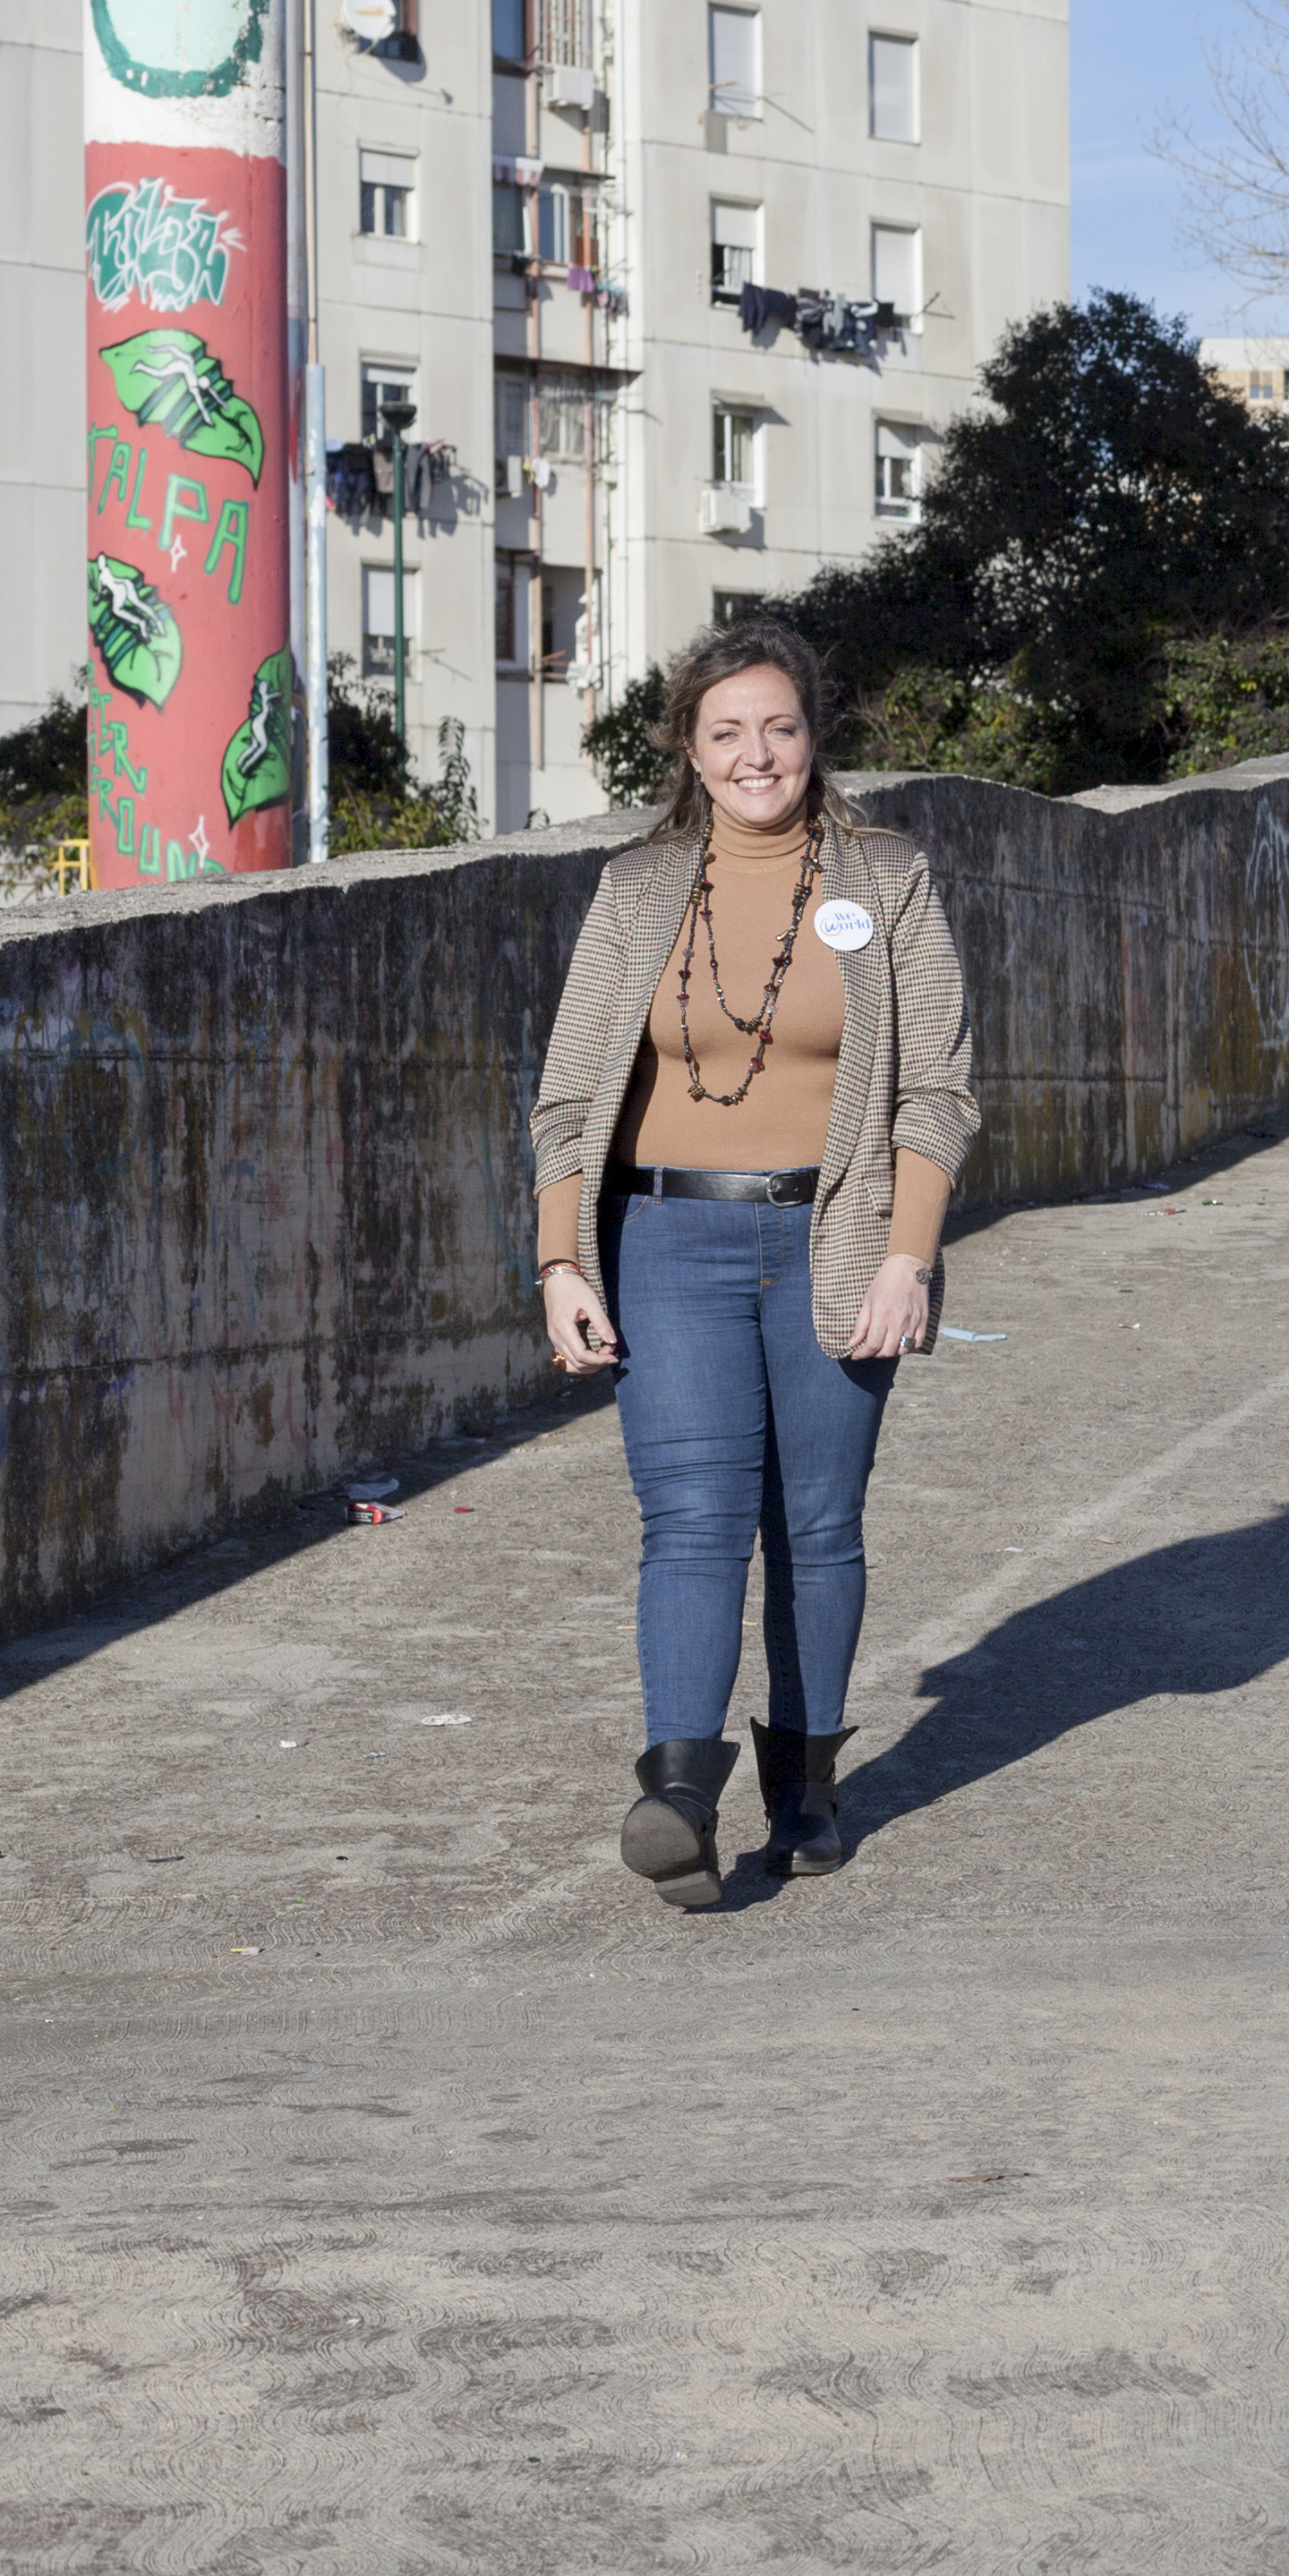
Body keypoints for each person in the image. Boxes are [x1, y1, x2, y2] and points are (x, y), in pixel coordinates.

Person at [531, 622, 976, 1909]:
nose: (756, 755)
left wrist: (909, 1259)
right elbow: (569, 1099)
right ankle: (678, 1795)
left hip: (838, 1238)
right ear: (689, 748)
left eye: (779, 727)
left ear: (814, 736)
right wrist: (562, 1261)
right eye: (726, 732)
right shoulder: (636, 889)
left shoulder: (889, 879)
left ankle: (807, 1786)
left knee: (818, 1525)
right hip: (668, 1240)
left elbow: (938, 1092)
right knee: (692, 1519)